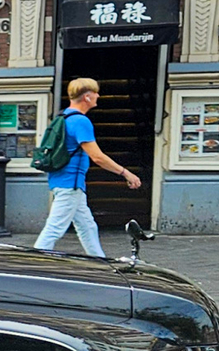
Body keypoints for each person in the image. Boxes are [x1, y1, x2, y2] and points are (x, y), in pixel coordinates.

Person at [33, 76, 141, 258]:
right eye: (96, 93)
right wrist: (126, 173)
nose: (98, 96)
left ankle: (99, 261)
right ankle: (31, 264)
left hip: (63, 181)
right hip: (71, 183)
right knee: (54, 228)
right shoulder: (81, 121)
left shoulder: (64, 116)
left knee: (87, 225)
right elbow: (97, 157)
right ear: (87, 97)